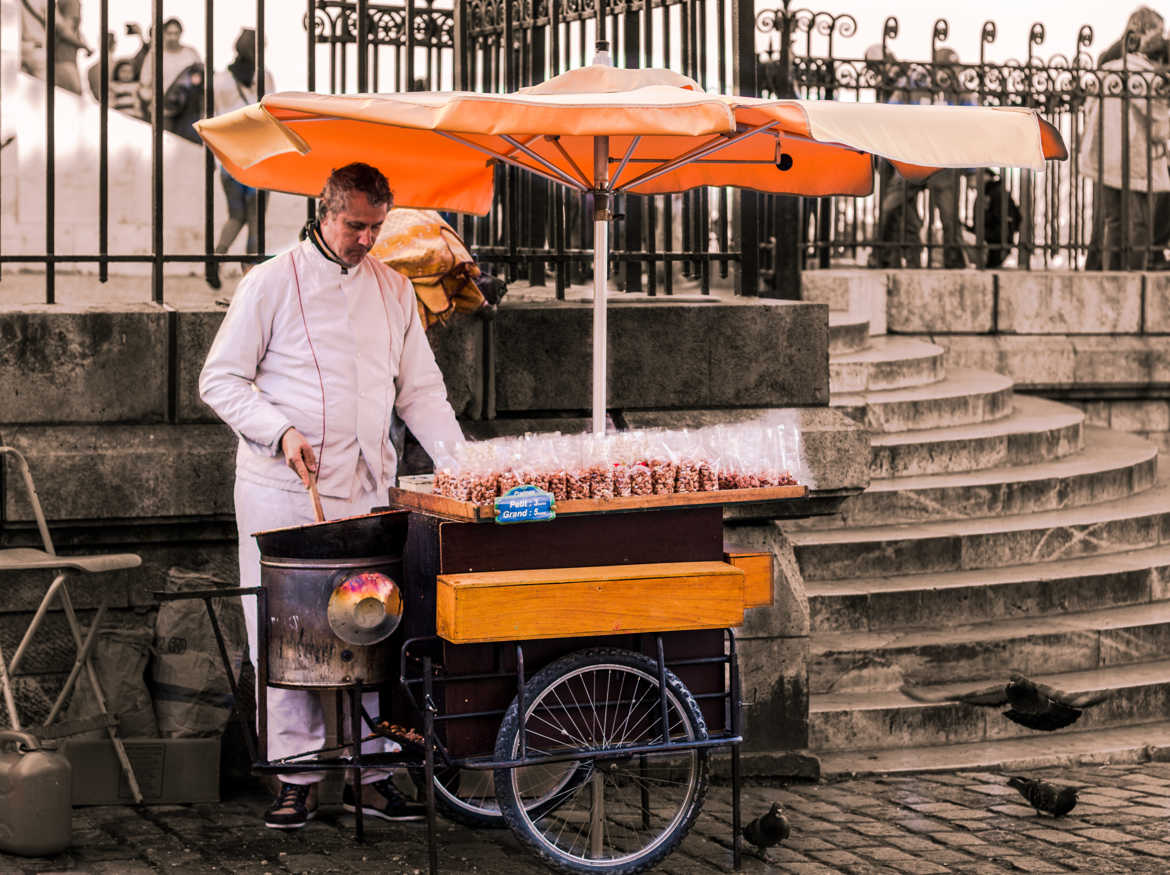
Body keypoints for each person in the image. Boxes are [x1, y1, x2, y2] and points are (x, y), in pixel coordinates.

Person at [199, 162, 464, 830]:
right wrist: (278, 430)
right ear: (326, 212)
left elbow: (421, 392)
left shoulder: (394, 290)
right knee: (292, 630)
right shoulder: (270, 281)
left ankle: (371, 773)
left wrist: (462, 464)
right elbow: (221, 380)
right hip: (285, 490)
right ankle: (296, 776)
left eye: (376, 227)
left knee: (371, 621)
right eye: (355, 226)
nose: (365, 240)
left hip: (366, 490)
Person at [1086, 6, 1170, 269]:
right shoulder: (1141, 72)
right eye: (1159, 30)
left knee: (1113, 220)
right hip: (1134, 153)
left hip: (1106, 152)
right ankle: (1132, 273)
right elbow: (1158, 126)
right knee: (1139, 221)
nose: (1162, 36)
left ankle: (1107, 271)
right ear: (1144, 30)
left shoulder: (1109, 63)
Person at [874, 46, 974, 268]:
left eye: (954, 70)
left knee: (949, 218)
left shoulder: (960, 92)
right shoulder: (913, 83)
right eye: (947, 69)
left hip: (944, 163)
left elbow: (973, 128)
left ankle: (953, 262)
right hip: (912, 160)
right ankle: (881, 254)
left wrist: (972, 171)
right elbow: (890, 114)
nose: (950, 75)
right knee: (891, 207)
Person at [206, 28, 275, 290]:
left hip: (230, 158)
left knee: (236, 216)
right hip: (258, 155)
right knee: (256, 220)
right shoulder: (264, 76)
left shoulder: (221, 79)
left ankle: (217, 255)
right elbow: (271, 112)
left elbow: (213, 116)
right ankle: (250, 276)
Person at [137, 17, 201, 128]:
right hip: (163, 112)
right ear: (164, 33)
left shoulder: (191, 53)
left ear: (181, 33)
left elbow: (200, 76)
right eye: (169, 33)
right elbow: (144, 83)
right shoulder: (154, 55)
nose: (173, 37)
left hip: (188, 111)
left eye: (176, 33)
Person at [20, 0, 92, 94]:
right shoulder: (70, 2)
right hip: (42, 51)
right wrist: (85, 46)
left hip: (19, 49)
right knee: (45, 97)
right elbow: (62, 28)